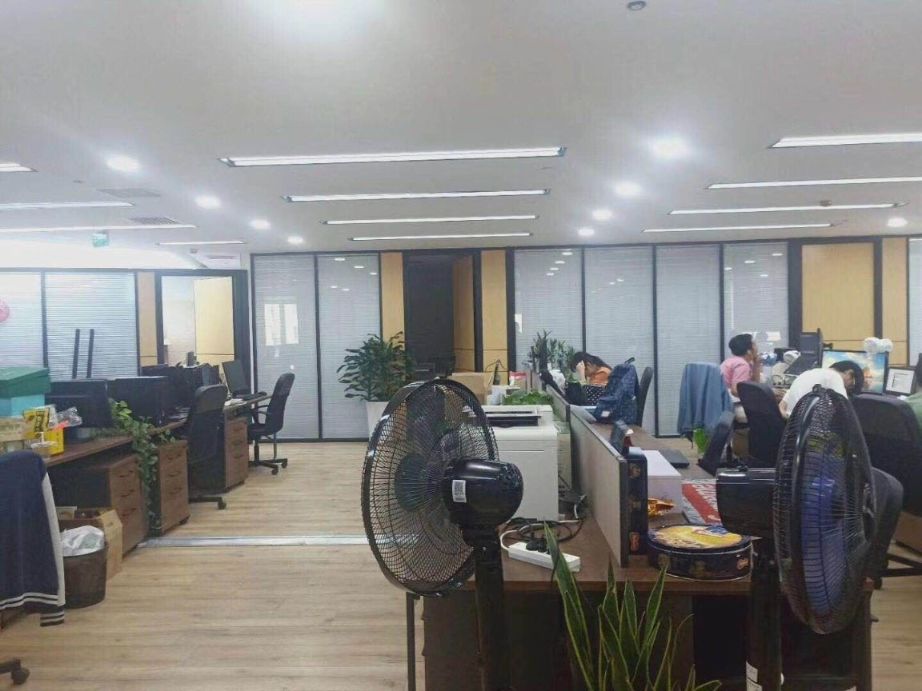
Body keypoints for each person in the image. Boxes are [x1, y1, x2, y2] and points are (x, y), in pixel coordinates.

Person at [779, 360, 865, 418]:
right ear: (849, 374)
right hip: (810, 432)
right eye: (850, 385)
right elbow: (845, 411)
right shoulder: (834, 376)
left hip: (791, 428)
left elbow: (781, 406)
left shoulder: (806, 373)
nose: (846, 389)